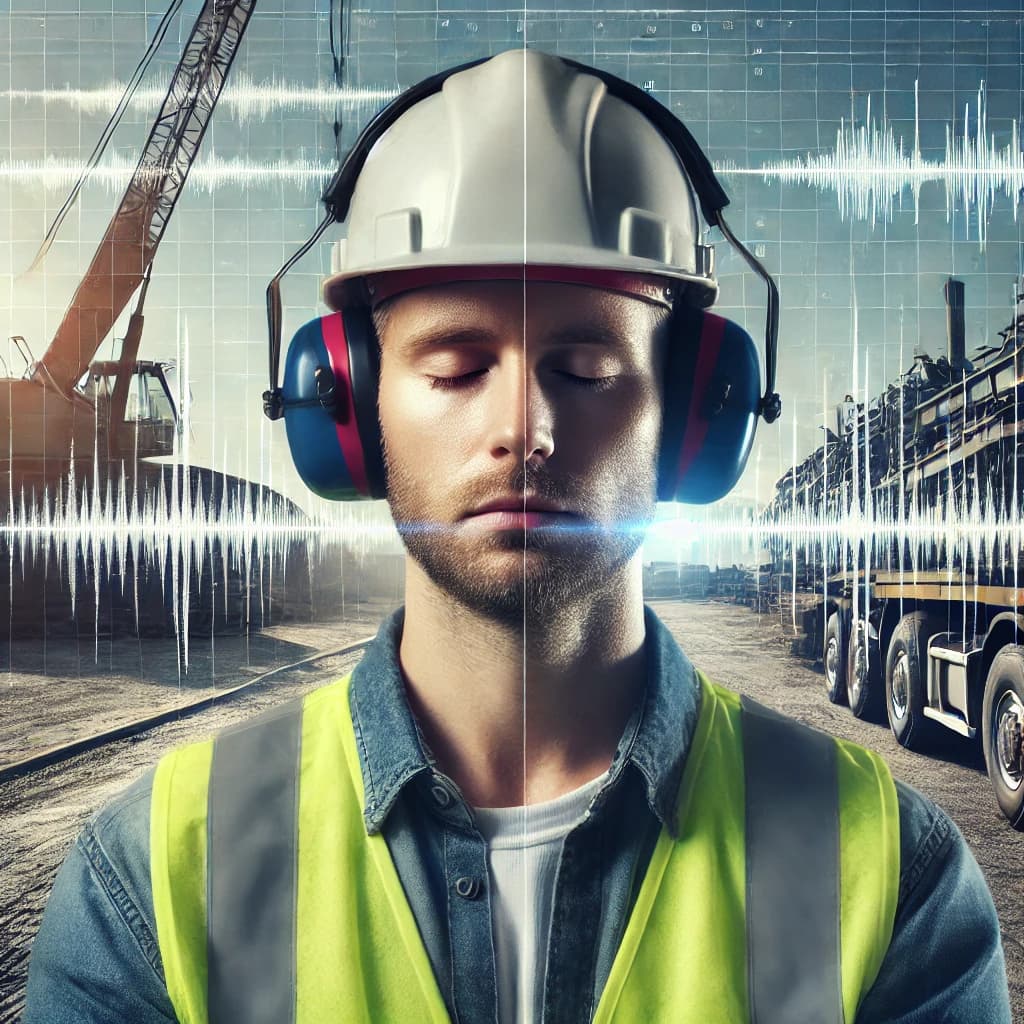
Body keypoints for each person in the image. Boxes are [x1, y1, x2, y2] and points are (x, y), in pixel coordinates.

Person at [25, 48, 1009, 1024]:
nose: (522, 430)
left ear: (700, 411)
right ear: (347, 408)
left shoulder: (888, 878)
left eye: (583, 367)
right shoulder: (147, 882)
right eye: (455, 369)